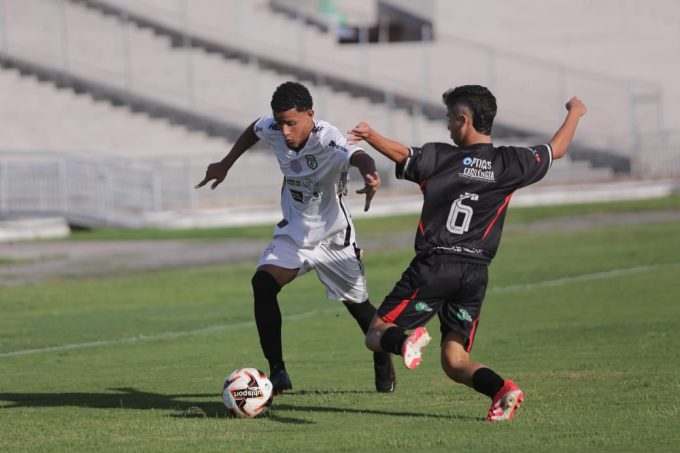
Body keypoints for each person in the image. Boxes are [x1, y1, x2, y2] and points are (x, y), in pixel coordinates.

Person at [348, 85, 587, 421]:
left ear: (464, 119)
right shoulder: (510, 162)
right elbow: (556, 149)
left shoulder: (441, 158)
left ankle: (404, 343)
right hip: (474, 275)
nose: (448, 126)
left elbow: (402, 154)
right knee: (454, 360)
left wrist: (371, 135)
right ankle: (501, 390)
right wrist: (575, 112)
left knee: (375, 333)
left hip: (435, 265)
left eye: (450, 118)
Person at [195, 81, 396, 394]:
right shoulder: (274, 128)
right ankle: (278, 372)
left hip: (334, 238)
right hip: (294, 233)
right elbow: (254, 128)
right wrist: (225, 164)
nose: (285, 132)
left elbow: (358, 155)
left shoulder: (328, 138)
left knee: (359, 307)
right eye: (280, 123)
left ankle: (382, 356)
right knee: (262, 284)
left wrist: (371, 174)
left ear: (310, 114)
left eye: (291, 123)